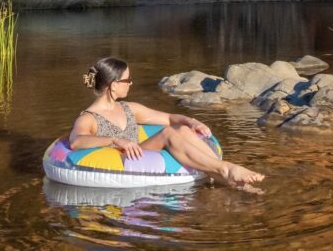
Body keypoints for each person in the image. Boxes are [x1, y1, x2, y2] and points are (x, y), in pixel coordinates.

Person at [69, 57, 265, 191]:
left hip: (139, 151)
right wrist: (115, 140)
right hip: (120, 157)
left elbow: (170, 118)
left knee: (181, 129)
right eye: (127, 80)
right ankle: (227, 169)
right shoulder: (89, 118)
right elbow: (76, 141)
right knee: (169, 134)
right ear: (113, 85)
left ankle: (237, 183)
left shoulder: (129, 108)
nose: (131, 83)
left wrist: (193, 121)